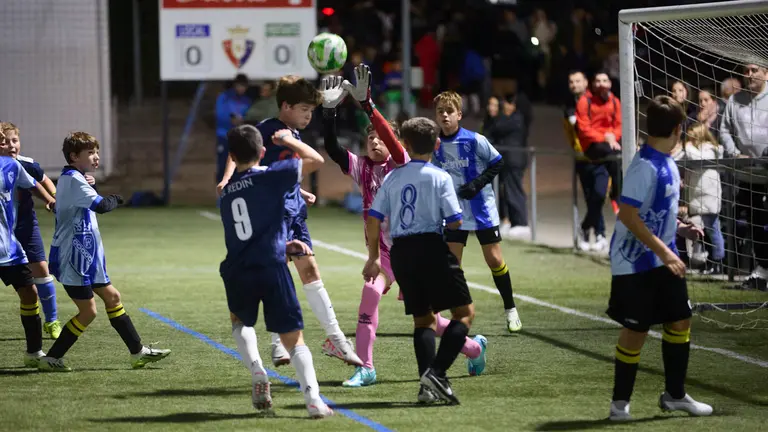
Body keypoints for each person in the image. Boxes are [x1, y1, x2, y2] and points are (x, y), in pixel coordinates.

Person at [322, 66, 487, 387]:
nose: (373, 141)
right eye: (368, 137)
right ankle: (366, 367)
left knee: (428, 319)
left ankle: (472, 347)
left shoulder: (400, 162)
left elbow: (393, 143)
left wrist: (367, 104)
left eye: (378, 136)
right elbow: (331, 148)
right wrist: (328, 111)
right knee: (370, 298)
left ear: (395, 141)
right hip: (387, 255)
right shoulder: (361, 167)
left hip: (413, 249)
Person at [218, 75, 363, 367]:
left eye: (311, 112)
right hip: (275, 214)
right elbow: (239, 147)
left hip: (294, 210)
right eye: (304, 110)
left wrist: (300, 191)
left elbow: (279, 171)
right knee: (288, 273)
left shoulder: (292, 132)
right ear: (285, 105)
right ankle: (291, 344)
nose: (308, 116)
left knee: (308, 271)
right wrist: (226, 179)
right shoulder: (270, 129)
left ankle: (331, 340)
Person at [607, 95, 713, 421]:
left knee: (680, 319)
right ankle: (619, 404)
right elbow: (628, 215)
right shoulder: (644, 166)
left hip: (663, 257)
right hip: (636, 263)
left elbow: (656, 213)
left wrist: (681, 230)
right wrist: (666, 252)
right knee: (636, 332)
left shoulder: (667, 161)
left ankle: (675, 394)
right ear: (679, 129)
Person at [219, 124, 333, 418]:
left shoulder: (228, 191)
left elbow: (245, 234)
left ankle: (257, 372)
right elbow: (316, 160)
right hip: (271, 266)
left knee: (239, 322)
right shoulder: (270, 175)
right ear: (262, 152)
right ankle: (313, 401)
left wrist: (282, 244)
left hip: (239, 267)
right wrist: (289, 139)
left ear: (231, 155)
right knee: (294, 340)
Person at [363, 117, 475, 405]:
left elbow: (374, 219)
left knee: (423, 320)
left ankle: (426, 388)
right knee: (464, 313)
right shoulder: (440, 177)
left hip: (401, 252)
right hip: (430, 247)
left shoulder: (392, 177)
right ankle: (437, 373)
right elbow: (455, 221)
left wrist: (374, 256)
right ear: (437, 145)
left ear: (406, 145)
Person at [40, 132, 171, 372]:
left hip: (87, 258)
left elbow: (88, 202)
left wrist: (96, 187)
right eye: (90, 152)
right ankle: (52, 357)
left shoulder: (77, 178)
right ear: (73, 156)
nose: (96, 157)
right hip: (73, 258)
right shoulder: (71, 179)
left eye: (96, 151)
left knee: (113, 298)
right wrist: (117, 198)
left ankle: (137, 352)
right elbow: (101, 205)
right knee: (88, 312)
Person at [432, 91, 522, 333]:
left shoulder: (474, 140)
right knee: (453, 266)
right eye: (440, 112)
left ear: (459, 114)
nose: (445, 116)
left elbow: (498, 162)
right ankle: (456, 315)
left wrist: (477, 184)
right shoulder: (435, 145)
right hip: (453, 214)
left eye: (449, 112)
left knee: (494, 260)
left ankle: (510, 309)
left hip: (481, 209)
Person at [0, 122, 61, 339]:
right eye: (5, 141)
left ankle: (52, 320)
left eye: (14, 140)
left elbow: (44, 183)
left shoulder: (26, 165)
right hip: (4, 234)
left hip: (26, 227)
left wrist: (54, 200)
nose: (11, 145)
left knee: (41, 271)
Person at [0, 129, 47, 368]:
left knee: (29, 293)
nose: (6, 144)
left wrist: (49, 199)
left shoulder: (11, 166)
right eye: (1, 140)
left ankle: (34, 352)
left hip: (8, 248)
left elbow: (32, 183)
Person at [719, 63, 768, 290]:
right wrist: (734, 153)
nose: (749, 74)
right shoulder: (734, 101)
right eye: (746, 70)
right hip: (748, 176)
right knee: (755, 225)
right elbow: (725, 130)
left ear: (766, 73)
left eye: (754, 70)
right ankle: (762, 271)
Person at [575, 71, 623, 251]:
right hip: (594, 149)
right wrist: (605, 137)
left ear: (610, 83)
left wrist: (612, 137)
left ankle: (586, 226)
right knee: (614, 156)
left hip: (610, 149)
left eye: (605, 80)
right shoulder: (585, 101)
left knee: (598, 194)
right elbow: (584, 128)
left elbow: (619, 126)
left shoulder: (615, 102)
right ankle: (617, 197)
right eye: (598, 80)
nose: (601, 84)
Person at [483, 94, 528, 239]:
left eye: (509, 104)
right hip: (506, 161)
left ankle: (521, 223)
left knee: (514, 191)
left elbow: (498, 127)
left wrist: (495, 117)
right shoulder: (508, 119)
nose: (505, 107)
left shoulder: (516, 119)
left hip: (514, 160)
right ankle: (510, 221)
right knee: (507, 192)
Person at [215, 74, 252, 186]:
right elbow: (219, 114)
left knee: (240, 166)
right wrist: (231, 119)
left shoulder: (247, 100)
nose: (241, 88)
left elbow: (249, 117)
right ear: (235, 85)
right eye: (239, 85)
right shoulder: (224, 97)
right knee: (222, 166)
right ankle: (220, 197)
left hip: (240, 138)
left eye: (243, 86)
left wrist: (243, 120)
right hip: (224, 136)